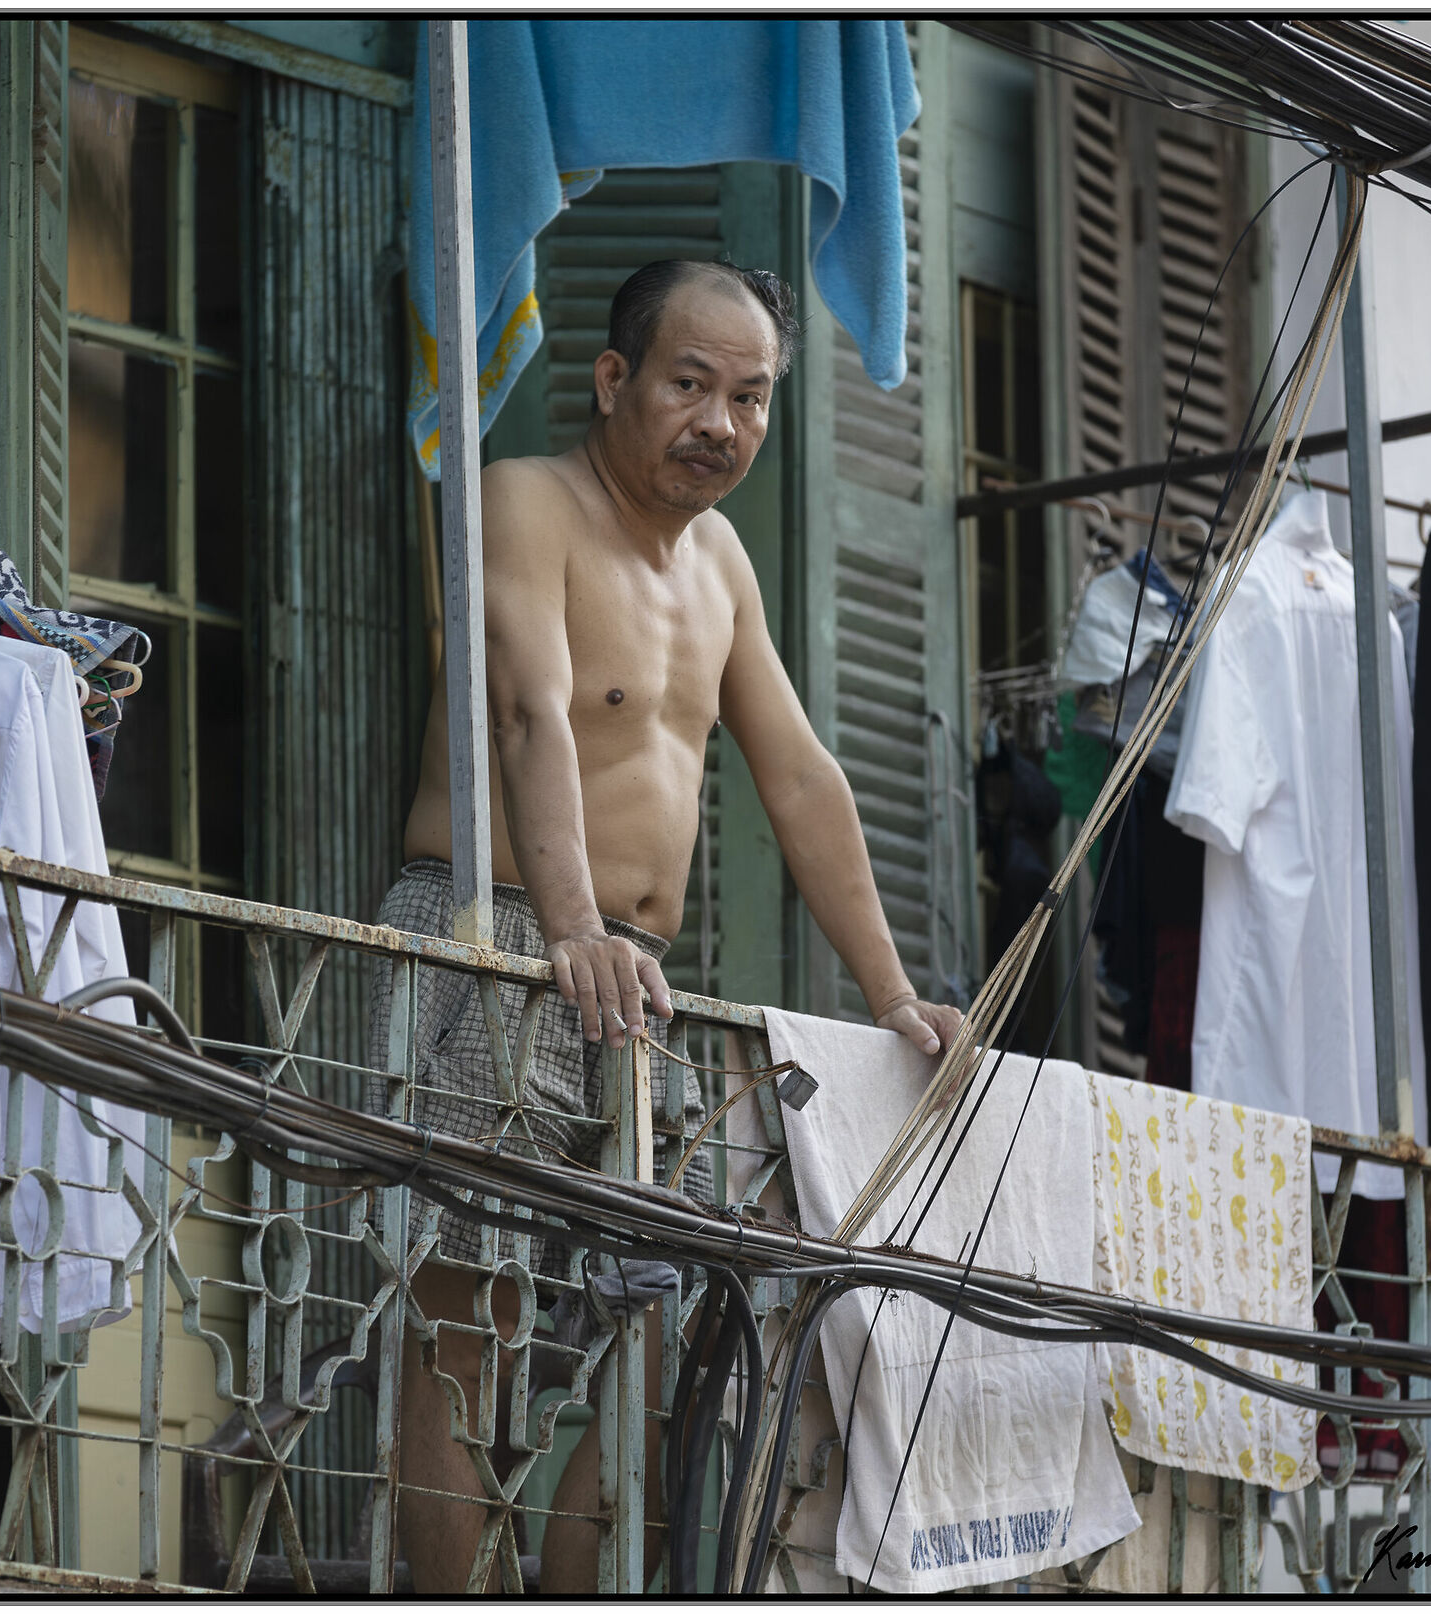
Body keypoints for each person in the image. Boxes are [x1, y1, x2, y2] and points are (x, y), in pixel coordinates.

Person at [376, 258, 963, 1592]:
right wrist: (571, 923)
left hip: (636, 981)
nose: (721, 421)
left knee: (676, 1321)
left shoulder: (722, 564)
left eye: (751, 397)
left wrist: (892, 998)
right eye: (691, 384)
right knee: (472, 1307)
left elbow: (801, 776)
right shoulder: (525, 499)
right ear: (613, 380)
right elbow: (529, 705)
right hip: (499, 927)